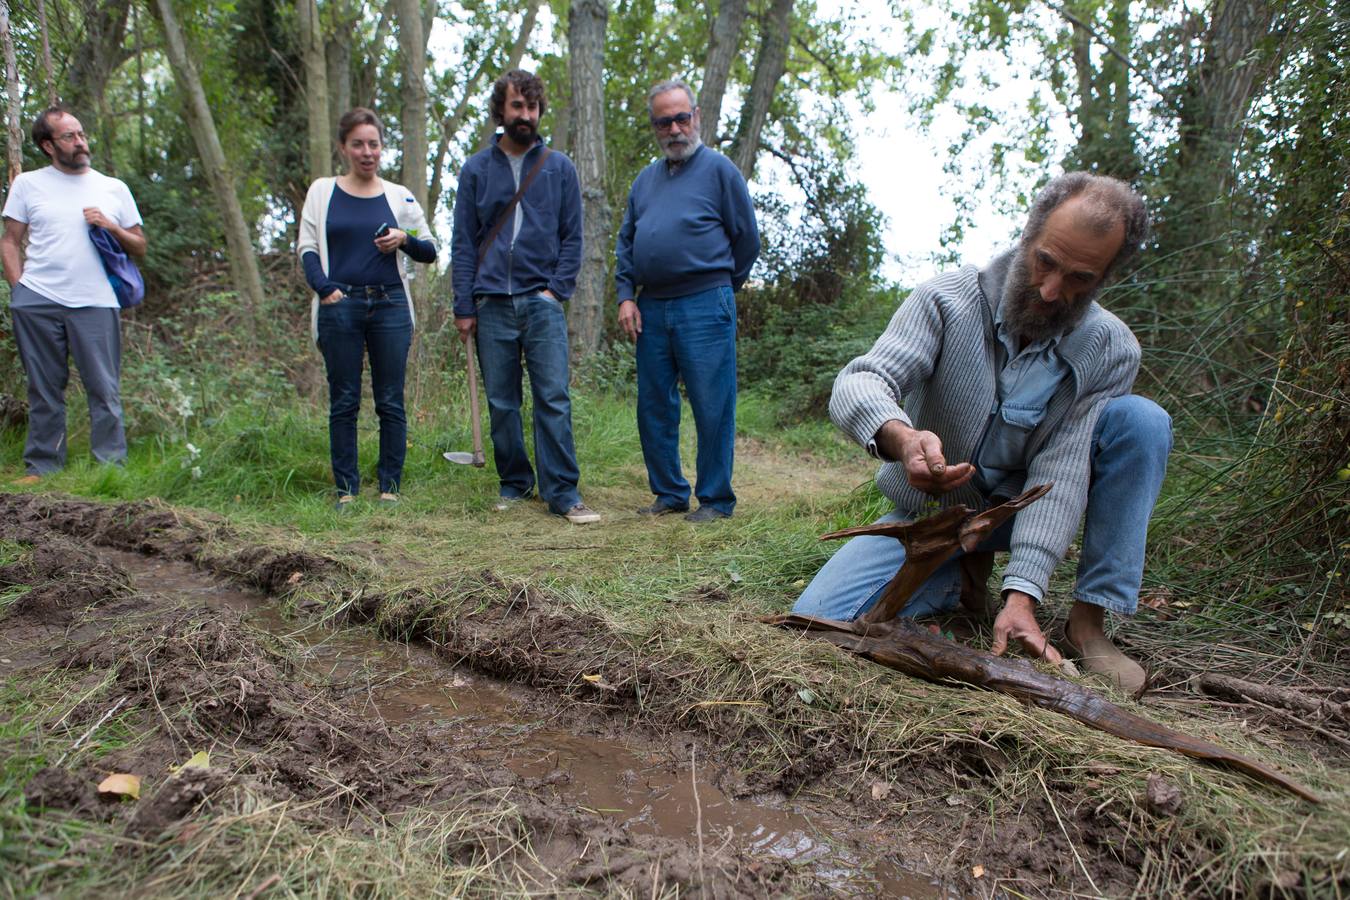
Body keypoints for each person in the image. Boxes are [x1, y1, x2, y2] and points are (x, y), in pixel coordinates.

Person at [792, 172, 1171, 693]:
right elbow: (862, 380)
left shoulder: (1111, 349)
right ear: (1027, 236)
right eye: (1045, 261)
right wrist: (902, 439)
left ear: (1105, 277)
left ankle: (1088, 621)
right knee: (819, 619)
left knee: (1141, 421)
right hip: (935, 516)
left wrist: (1024, 595)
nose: (1051, 289)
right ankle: (957, 572)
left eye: (1080, 278)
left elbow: (1061, 467)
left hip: (1027, 514)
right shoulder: (944, 300)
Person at [451, 69, 599, 525]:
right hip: (491, 301)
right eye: (517, 106)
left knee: (553, 396)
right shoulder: (476, 169)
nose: (525, 115)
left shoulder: (559, 167)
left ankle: (563, 492)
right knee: (502, 401)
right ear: (501, 110)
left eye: (532, 107)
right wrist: (463, 304)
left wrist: (556, 292)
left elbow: (574, 237)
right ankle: (515, 483)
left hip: (542, 301)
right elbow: (463, 240)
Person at [615, 79, 760, 523]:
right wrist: (626, 297)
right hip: (652, 307)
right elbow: (626, 244)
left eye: (682, 117)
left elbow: (747, 240)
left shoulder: (720, 171)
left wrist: (720, 285)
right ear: (655, 126)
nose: (675, 128)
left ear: (696, 117)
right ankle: (670, 493)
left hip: (705, 302)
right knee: (653, 403)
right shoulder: (644, 181)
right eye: (664, 121)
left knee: (712, 402)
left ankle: (715, 499)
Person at [297, 107, 436, 511]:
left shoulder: (399, 195)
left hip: (391, 304)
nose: (367, 152)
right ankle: (347, 490)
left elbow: (428, 249)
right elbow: (306, 247)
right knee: (344, 400)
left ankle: (390, 487)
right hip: (340, 304)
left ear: (381, 148)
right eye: (358, 144)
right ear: (343, 147)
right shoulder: (323, 191)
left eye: (373, 144)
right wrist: (325, 290)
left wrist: (402, 239)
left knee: (390, 399)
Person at [1, 106, 146, 484]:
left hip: (97, 301)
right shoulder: (28, 184)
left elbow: (140, 246)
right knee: (44, 388)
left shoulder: (113, 187)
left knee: (104, 388)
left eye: (81, 134)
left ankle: (109, 470)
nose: (80, 142)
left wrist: (109, 224)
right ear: (48, 145)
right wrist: (19, 291)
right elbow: (10, 241)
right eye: (70, 137)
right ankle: (42, 467)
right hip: (38, 300)